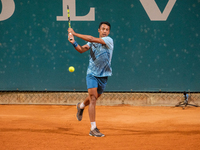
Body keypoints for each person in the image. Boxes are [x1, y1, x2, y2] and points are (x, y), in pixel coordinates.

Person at [68, 22, 114, 137]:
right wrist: (74, 42)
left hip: (103, 76)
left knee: (94, 98)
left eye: (107, 29)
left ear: (108, 32)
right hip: (92, 74)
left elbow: (92, 38)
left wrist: (75, 33)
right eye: (103, 29)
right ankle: (93, 128)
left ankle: (81, 106)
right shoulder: (91, 43)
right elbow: (82, 49)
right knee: (93, 98)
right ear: (99, 30)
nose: (104, 31)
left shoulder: (109, 40)